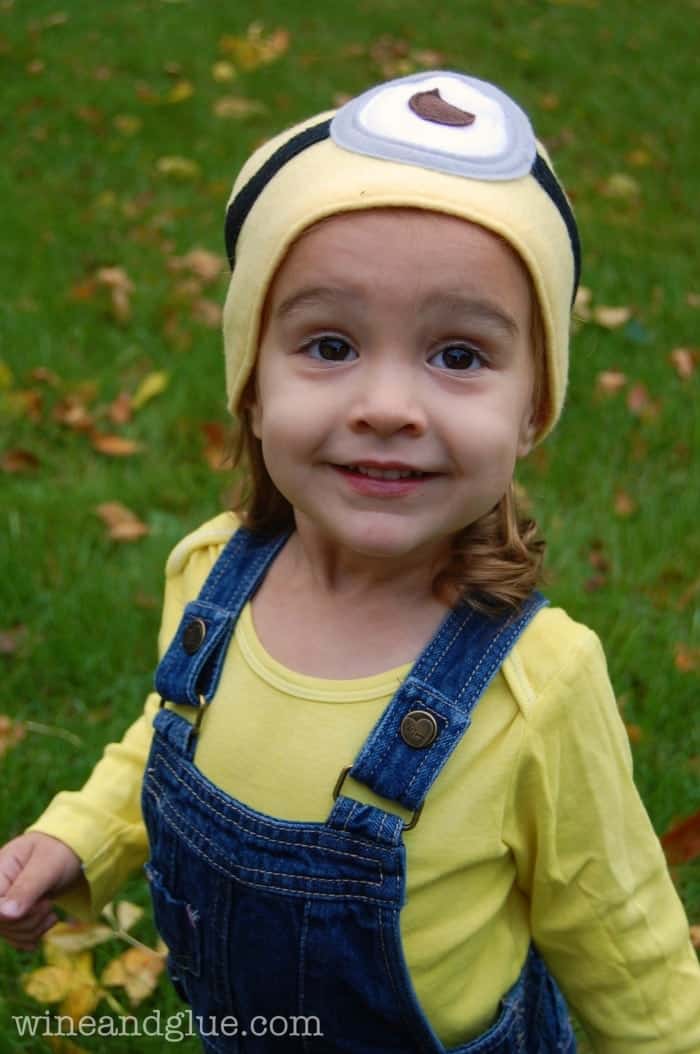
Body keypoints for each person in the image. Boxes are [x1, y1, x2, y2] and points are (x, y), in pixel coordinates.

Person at [1, 70, 698, 1053]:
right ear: (249, 385)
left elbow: (626, 945)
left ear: (533, 411)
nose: (386, 404)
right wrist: (82, 837)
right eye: (328, 343)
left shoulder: (534, 686)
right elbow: (163, 741)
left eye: (457, 355)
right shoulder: (209, 578)